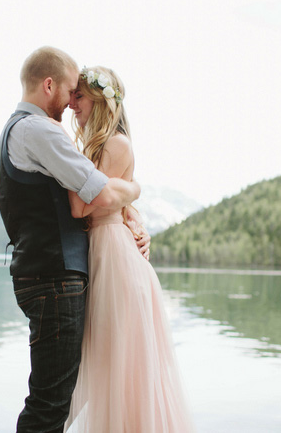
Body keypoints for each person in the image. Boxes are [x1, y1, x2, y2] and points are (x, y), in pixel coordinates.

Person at [0, 47, 148, 433]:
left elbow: (93, 197)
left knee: (54, 399)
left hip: (49, 273)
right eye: (68, 91)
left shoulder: (21, 129)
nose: (69, 104)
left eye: (79, 95)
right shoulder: (40, 130)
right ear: (49, 85)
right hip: (53, 277)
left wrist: (132, 216)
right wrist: (135, 189)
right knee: (50, 404)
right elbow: (94, 196)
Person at [64, 66, 194, 432]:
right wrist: (132, 197)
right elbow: (106, 201)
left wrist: (130, 197)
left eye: (80, 97)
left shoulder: (116, 145)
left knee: (121, 369)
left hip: (117, 261)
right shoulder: (92, 146)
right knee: (107, 367)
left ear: (101, 102)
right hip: (102, 252)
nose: (73, 104)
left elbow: (83, 206)